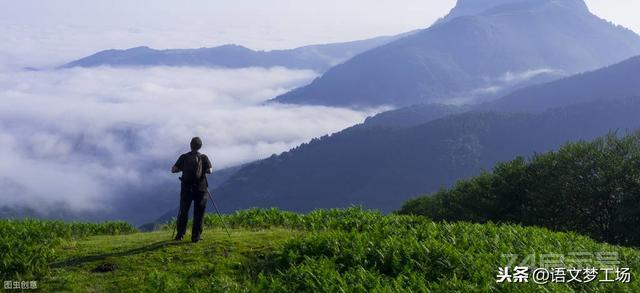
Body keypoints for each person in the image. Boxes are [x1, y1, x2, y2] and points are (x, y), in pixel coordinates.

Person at [171, 137, 213, 243]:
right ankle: (196, 236)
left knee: (183, 211)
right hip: (201, 188)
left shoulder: (184, 157)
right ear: (200, 146)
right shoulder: (204, 158)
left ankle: (180, 235)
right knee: (199, 213)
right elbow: (210, 171)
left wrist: (183, 168)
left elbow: (173, 169)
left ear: (190, 145)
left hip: (186, 188)